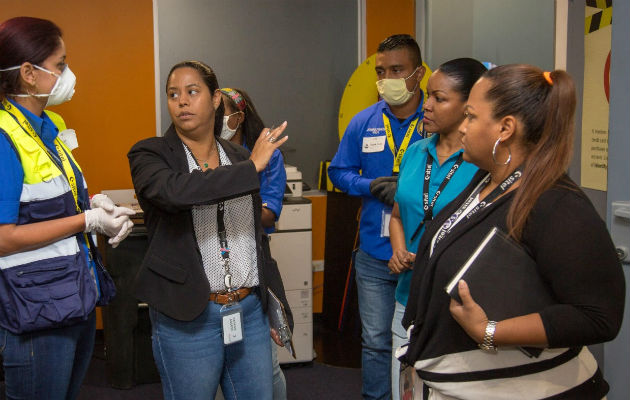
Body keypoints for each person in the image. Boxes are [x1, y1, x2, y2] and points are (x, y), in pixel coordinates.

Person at [399, 64, 625, 399]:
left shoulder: (556, 204)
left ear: (505, 128)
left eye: (472, 117)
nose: (462, 128)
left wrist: (489, 331)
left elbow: (598, 316)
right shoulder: (486, 181)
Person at [127, 60, 292, 400]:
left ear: (216, 99)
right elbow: (176, 192)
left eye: (192, 92)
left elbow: (255, 239)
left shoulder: (236, 155)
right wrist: (251, 168)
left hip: (248, 311)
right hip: (189, 315)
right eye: (173, 94)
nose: (182, 101)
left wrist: (277, 304)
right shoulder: (150, 154)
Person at [0, 16, 134, 399]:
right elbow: (4, 238)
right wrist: (87, 220)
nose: (68, 73)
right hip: (34, 312)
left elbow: (48, 204)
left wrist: (95, 207)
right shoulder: (3, 137)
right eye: (60, 64)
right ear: (28, 73)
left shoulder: (46, 128)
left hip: (71, 299)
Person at [328, 34, 426, 400]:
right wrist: (369, 186)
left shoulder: (434, 120)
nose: (387, 79)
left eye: (397, 70)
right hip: (372, 253)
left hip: (419, 254)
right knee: (374, 341)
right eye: (382, 71)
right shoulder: (363, 122)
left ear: (418, 73)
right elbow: (339, 172)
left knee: (418, 339)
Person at [388, 58, 486, 400]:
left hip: (455, 305)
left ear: (468, 106)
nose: (426, 105)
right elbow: (399, 214)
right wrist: (398, 249)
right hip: (407, 296)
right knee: (404, 391)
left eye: (439, 98)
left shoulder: (482, 163)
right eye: (428, 95)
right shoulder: (416, 152)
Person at [219, 87, 288, 399]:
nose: (216, 119)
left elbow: (269, 214)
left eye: (222, 113)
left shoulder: (267, 154)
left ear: (238, 117)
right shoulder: (203, 151)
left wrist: (220, 203)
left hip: (253, 258)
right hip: (213, 264)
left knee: (265, 364)